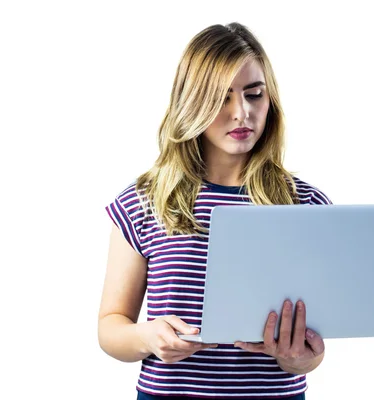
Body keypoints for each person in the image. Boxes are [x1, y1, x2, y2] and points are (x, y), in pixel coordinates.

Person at [99, 22, 333, 399]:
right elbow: (110, 327)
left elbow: (310, 341)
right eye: (221, 97)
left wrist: (302, 360)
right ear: (192, 102)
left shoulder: (307, 205)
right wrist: (147, 337)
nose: (241, 112)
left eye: (254, 94)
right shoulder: (145, 201)